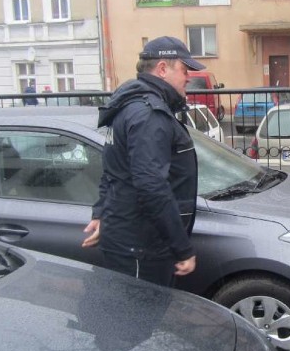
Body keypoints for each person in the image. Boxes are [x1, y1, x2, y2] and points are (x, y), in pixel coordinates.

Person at [82, 36, 204, 287]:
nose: (188, 77)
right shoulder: (148, 114)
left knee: (126, 319)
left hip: (129, 239)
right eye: (184, 69)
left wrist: (101, 212)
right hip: (140, 247)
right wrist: (182, 248)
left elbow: (114, 170)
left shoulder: (132, 106)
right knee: (134, 320)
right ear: (162, 69)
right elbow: (151, 185)